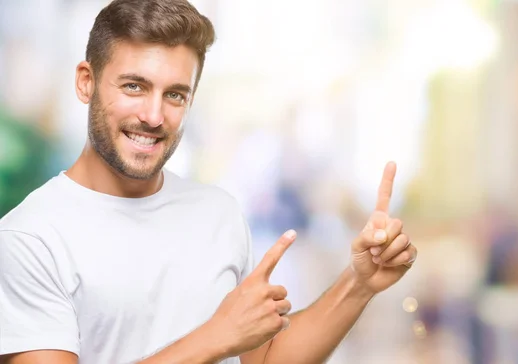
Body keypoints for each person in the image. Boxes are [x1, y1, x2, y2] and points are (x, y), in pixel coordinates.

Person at [0, 1, 417, 363]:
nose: (153, 115)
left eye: (175, 94)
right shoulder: (29, 237)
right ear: (85, 82)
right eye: (134, 86)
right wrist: (215, 338)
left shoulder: (218, 213)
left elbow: (266, 360)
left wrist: (359, 284)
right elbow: (224, 338)